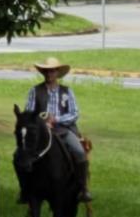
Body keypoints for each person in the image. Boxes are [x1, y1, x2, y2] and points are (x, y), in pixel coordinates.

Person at [23, 58, 92, 203]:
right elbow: (29, 113)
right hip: (41, 131)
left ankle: (83, 188)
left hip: (64, 130)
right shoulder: (35, 91)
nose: (49, 73)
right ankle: (25, 189)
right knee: (23, 153)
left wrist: (56, 120)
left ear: (58, 73)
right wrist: (41, 122)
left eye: (52, 70)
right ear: (43, 72)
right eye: (47, 71)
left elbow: (74, 113)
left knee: (79, 152)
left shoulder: (67, 92)